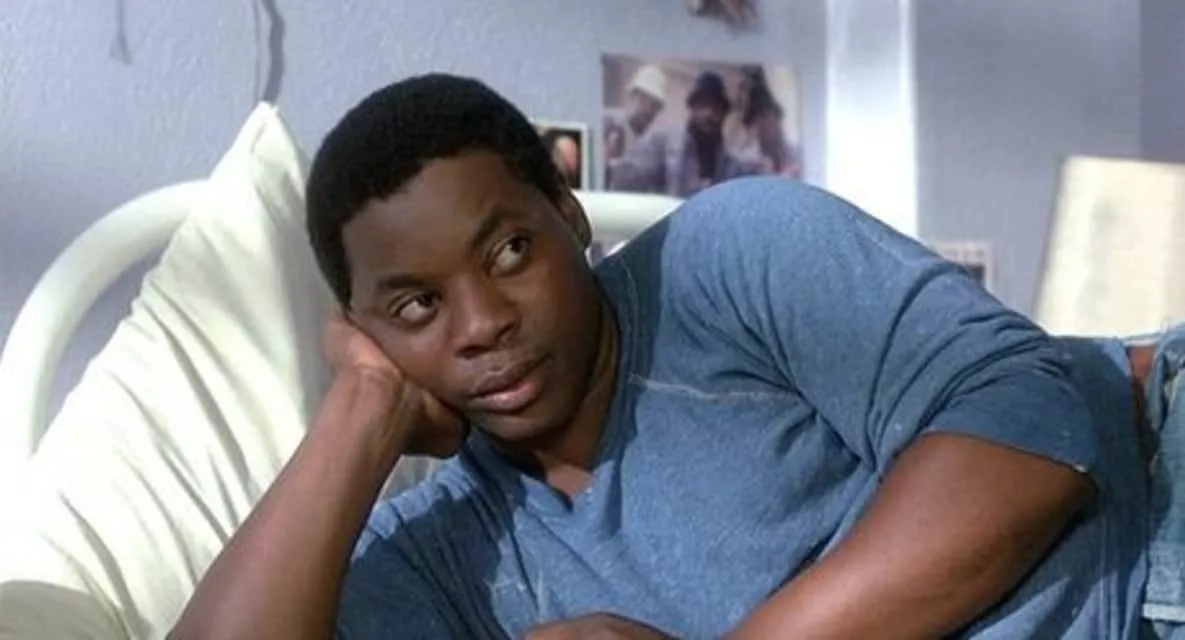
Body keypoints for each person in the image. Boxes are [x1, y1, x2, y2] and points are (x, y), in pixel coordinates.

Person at [172, 73, 1176, 639]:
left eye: (510, 250)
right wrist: (360, 407)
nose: (481, 323)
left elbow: (1031, 435)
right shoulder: (443, 552)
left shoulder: (725, 258)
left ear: (569, 215)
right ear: (365, 327)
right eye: (416, 305)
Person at [608, 72, 757, 197]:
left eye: (716, 108)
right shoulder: (662, 142)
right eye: (702, 105)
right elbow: (624, 181)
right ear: (692, 109)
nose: (709, 114)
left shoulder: (729, 165)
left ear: (724, 114)